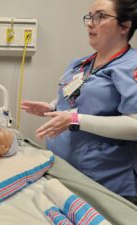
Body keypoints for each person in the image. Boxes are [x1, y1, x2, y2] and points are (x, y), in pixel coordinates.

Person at [22, 0, 137, 204]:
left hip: (105, 183)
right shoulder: (82, 64)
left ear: (125, 26)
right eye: (90, 16)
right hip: (63, 171)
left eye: (100, 16)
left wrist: (75, 120)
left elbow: (135, 124)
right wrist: (52, 107)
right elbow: (80, 101)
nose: (90, 23)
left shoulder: (131, 67)